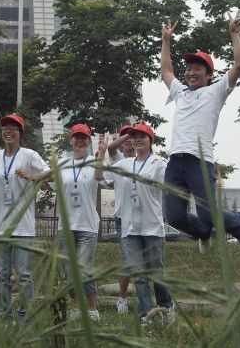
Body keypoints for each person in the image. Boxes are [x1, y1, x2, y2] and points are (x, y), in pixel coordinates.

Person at [161, 15, 240, 254]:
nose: (191, 72)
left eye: (197, 68)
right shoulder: (180, 92)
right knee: (173, 215)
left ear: (209, 74)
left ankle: (239, 227)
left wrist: (234, 35)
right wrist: (166, 40)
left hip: (199, 161)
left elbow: (239, 66)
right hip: (175, 161)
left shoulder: (216, 92)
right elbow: (166, 71)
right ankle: (202, 233)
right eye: (189, 68)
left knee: (208, 212)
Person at [97, 123, 174, 326]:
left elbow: (170, 185)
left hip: (152, 227)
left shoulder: (158, 163)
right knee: (139, 275)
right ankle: (145, 315)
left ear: (151, 141)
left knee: (157, 273)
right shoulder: (123, 164)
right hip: (130, 229)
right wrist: (102, 152)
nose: (138, 139)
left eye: (143, 136)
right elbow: (100, 177)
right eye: (135, 136)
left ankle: (166, 306)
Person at [0, 114, 50, 323]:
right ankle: (4, 316)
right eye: (5, 128)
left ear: (21, 133)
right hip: (0, 225)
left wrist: (32, 177)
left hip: (23, 226)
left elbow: (51, 176)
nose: (8, 131)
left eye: (14, 128)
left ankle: (24, 316)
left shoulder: (30, 155)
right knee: (1, 273)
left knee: (23, 274)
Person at [54, 123, 102, 322]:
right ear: (71, 140)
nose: (80, 140)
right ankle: (75, 307)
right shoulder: (62, 164)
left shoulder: (94, 161)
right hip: (66, 226)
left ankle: (91, 309)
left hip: (87, 225)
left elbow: (101, 177)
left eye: (84, 137)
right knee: (68, 270)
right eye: (76, 137)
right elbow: (50, 184)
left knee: (84, 268)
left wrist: (103, 153)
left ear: (89, 141)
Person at [102, 126, 136, 315]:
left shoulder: (144, 158)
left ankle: (146, 298)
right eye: (125, 136)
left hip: (142, 216)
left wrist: (142, 131)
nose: (130, 140)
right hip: (123, 217)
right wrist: (127, 136)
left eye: (133, 136)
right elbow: (111, 149)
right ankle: (122, 298)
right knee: (128, 261)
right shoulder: (118, 160)